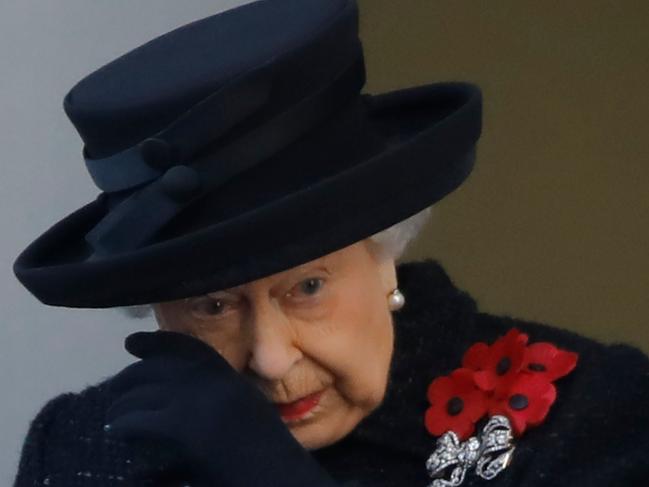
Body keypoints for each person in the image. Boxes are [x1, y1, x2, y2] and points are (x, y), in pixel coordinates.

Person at [11, 0, 649, 486]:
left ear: (384, 256)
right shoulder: (81, 447)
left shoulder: (594, 412)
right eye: (212, 306)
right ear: (155, 311)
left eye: (307, 287)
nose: (271, 360)